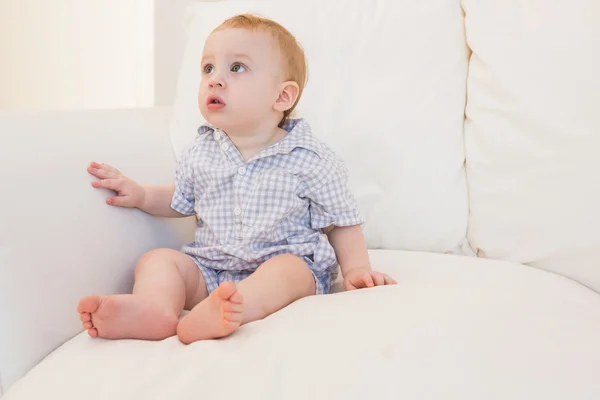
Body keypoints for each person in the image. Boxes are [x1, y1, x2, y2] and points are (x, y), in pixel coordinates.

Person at [77, 14, 396, 344]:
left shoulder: (311, 159)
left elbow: (341, 222)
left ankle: (230, 312)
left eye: (237, 68)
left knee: (286, 270)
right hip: (210, 270)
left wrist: (356, 269)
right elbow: (180, 199)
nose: (215, 80)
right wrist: (142, 195)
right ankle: (154, 310)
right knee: (158, 260)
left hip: (286, 266)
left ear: (282, 97)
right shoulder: (201, 151)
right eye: (208, 68)